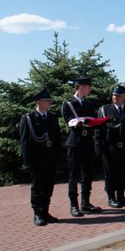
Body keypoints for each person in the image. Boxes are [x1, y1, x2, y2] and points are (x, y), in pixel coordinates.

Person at [19, 89, 62, 226]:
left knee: (48, 186)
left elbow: (57, 139)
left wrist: (58, 157)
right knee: (37, 187)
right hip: (36, 159)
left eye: (50, 100)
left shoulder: (52, 117)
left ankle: (45, 211)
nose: (49, 102)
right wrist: (27, 162)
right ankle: (37, 213)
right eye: (46, 100)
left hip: (50, 158)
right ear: (38, 101)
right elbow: (25, 141)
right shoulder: (29, 118)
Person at [95, 86, 125, 208]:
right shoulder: (105, 109)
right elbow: (99, 131)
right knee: (110, 174)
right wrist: (99, 148)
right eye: (114, 95)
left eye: (118, 96)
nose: (115, 97)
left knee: (123, 174)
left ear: (124, 97)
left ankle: (121, 196)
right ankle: (111, 198)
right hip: (110, 148)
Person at [62, 77, 102, 217]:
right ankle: (74, 205)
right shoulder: (68, 104)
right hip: (75, 142)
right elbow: (69, 120)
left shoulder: (89, 104)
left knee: (88, 173)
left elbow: (93, 119)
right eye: (88, 86)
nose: (89, 89)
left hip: (87, 142)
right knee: (74, 174)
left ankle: (85, 203)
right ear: (80, 87)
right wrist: (80, 122)